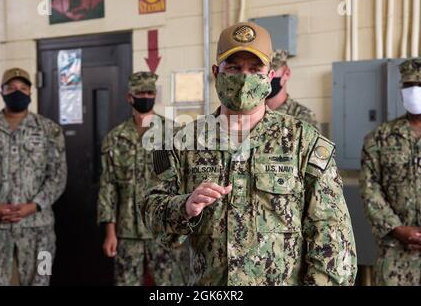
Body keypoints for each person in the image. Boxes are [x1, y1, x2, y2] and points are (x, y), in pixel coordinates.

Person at [140, 22, 357, 285]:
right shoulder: (182, 143)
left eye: (255, 69)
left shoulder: (303, 142)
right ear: (216, 72)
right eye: (234, 68)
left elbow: (333, 237)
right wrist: (184, 206)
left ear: (270, 76)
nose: (244, 78)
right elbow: (151, 213)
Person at [0, 67, 67, 285]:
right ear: (2, 92)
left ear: (31, 92)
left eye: (23, 88)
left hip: (39, 227)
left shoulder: (50, 130)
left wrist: (33, 206)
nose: (18, 92)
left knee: (42, 279)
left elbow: (58, 176)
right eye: (12, 88)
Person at [97, 71, 187, 286]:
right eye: (140, 93)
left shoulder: (174, 133)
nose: (145, 97)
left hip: (165, 229)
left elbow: (185, 183)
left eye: (150, 92)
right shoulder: (116, 138)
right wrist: (110, 232)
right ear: (130, 97)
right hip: (127, 232)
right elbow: (108, 187)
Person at [359, 58, 421, 286]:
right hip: (396, 253)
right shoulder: (380, 138)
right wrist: (396, 228)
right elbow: (369, 187)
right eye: (409, 86)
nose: (415, 91)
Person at [265, 49, 318, 127]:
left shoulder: (302, 116)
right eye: (264, 71)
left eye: (272, 71)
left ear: (287, 74)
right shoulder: (250, 112)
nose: (268, 75)